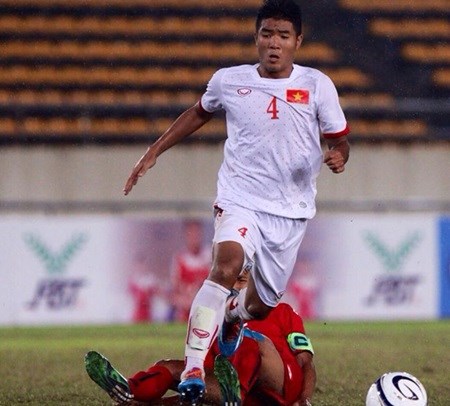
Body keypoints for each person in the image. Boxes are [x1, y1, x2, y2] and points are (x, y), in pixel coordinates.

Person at [123, 0, 349, 402]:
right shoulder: (229, 80)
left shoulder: (318, 85)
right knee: (226, 264)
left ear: (298, 40)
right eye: (267, 34)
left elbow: (339, 137)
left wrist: (338, 155)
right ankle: (193, 367)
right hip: (239, 196)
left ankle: (231, 318)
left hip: (290, 212)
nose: (273, 44)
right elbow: (198, 113)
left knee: (261, 306)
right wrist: (154, 150)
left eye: (283, 36)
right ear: (256, 37)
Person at [85, 272, 316, 406]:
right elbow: (208, 379)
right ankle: (130, 389)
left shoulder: (283, 311)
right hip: (245, 394)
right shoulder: (211, 318)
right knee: (172, 368)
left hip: (281, 383)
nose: (241, 275)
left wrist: (304, 399)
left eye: (247, 273)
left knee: (249, 338)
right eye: (236, 276)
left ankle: (233, 397)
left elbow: (305, 361)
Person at [170, 219, 211, 322]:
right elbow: (174, 293)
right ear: (186, 235)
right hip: (185, 315)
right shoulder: (179, 260)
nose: (194, 237)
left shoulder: (209, 257)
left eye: (197, 233)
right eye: (191, 233)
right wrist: (184, 301)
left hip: (205, 312)